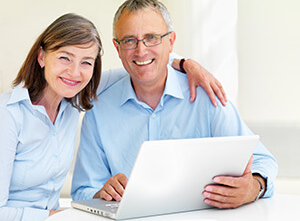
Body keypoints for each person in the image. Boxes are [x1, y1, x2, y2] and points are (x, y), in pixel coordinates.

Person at [0, 13, 227, 221]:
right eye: (64, 58)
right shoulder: (8, 115)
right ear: (42, 57)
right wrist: (59, 216)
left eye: (86, 62)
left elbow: (143, 64)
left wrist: (187, 64)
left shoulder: (74, 98)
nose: (74, 72)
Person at [71, 0, 278, 209]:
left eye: (152, 37)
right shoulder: (99, 109)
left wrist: (253, 188)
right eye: (129, 41)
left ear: (170, 41)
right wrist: (101, 193)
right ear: (117, 47)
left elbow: (264, 162)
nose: (141, 51)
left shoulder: (207, 96)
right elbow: (82, 191)